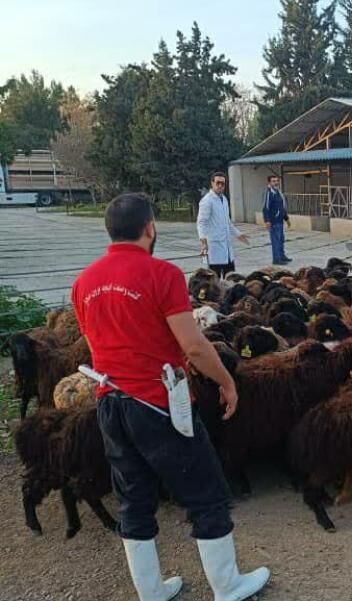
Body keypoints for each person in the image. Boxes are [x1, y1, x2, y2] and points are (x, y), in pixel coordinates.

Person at [72, 193, 269, 601]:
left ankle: (151, 591)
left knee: (133, 496)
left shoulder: (84, 282)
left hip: (110, 401)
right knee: (205, 489)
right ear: (150, 228)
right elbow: (193, 345)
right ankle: (227, 585)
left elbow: (95, 341)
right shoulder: (161, 275)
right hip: (157, 402)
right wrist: (226, 383)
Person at [197, 172, 249, 279]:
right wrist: (203, 242)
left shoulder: (224, 199)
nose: (220, 185)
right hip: (214, 248)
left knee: (231, 279)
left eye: (223, 183)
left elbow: (227, 222)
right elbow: (201, 222)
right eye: (218, 183)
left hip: (227, 249)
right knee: (214, 281)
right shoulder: (207, 201)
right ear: (212, 183)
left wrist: (238, 234)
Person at [263, 175, 292, 265]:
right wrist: (267, 221)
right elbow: (265, 208)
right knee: (275, 241)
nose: (276, 183)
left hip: (280, 221)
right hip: (273, 222)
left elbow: (282, 208)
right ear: (269, 183)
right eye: (273, 181)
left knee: (281, 240)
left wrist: (286, 219)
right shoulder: (269, 193)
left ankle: (282, 256)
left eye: (276, 181)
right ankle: (276, 259)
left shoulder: (278, 193)